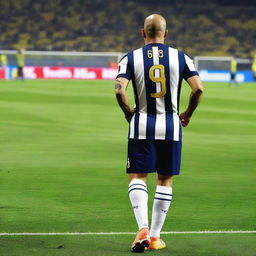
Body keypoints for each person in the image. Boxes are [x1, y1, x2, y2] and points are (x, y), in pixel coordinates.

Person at [114, 14, 203, 253]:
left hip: (141, 124)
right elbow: (198, 90)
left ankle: (142, 227)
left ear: (143, 33)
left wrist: (127, 113)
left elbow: (119, 91)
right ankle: (154, 237)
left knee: (137, 175)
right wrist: (188, 113)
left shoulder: (130, 58)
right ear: (166, 33)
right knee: (164, 179)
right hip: (171, 126)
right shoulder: (182, 58)